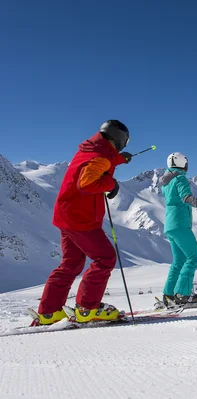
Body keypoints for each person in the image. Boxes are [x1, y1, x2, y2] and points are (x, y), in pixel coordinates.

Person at [36, 120, 132, 324]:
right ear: (119, 139)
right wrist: (111, 183)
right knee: (105, 258)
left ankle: (49, 312)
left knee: (71, 263)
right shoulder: (100, 156)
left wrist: (117, 160)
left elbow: (99, 162)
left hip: (66, 214)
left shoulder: (91, 149)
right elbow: (87, 182)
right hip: (81, 218)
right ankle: (88, 308)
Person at [161, 152, 197, 307]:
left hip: (170, 225)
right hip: (180, 224)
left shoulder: (166, 182)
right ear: (182, 163)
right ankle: (183, 294)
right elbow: (185, 198)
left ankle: (169, 295)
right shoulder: (180, 178)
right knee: (194, 258)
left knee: (179, 261)